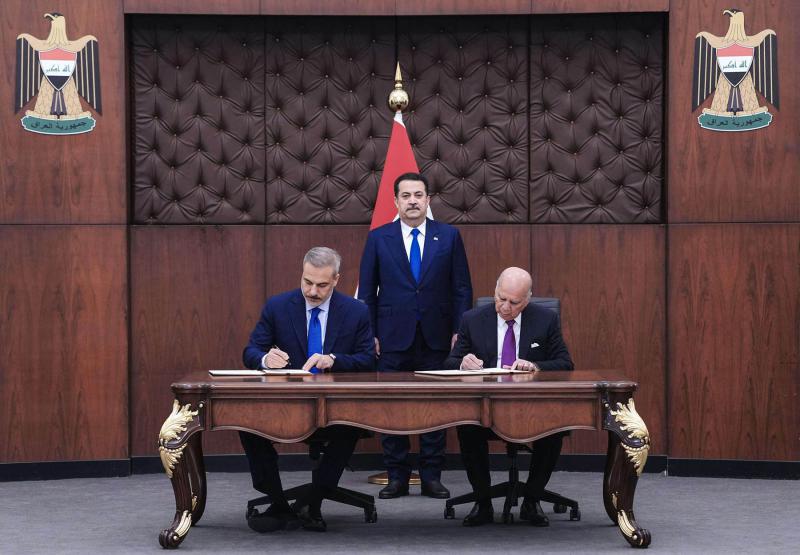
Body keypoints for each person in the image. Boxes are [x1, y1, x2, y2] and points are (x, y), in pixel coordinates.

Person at [240, 247, 375, 533]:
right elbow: (250, 351)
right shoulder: (278, 306)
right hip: (287, 405)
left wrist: (334, 359)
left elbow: (368, 359)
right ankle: (278, 502)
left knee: (349, 426)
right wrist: (265, 359)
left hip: (335, 406)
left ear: (336, 279)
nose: (312, 291)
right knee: (246, 425)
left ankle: (313, 500)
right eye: (307, 282)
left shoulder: (356, 311)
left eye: (322, 285)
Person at [358, 172, 473, 500]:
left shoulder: (448, 236)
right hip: (391, 338)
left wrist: (459, 331)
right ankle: (396, 476)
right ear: (395, 201)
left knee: (434, 407)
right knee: (392, 407)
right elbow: (367, 292)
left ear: (428, 200)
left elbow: (461, 289)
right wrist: (370, 333)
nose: (412, 201)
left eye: (418, 195)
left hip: (437, 337)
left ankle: (432, 477)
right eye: (406, 196)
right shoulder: (379, 238)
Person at [444, 267, 574, 527]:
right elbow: (450, 361)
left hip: (530, 407)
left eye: (514, 303)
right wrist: (462, 362)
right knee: (467, 427)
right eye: (501, 298)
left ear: (527, 299)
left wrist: (535, 366)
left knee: (555, 429)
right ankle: (482, 503)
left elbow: (565, 363)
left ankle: (532, 500)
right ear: (495, 291)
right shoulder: (472, 319)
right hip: (486, 405)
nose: (505, 307)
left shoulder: (545, 319)